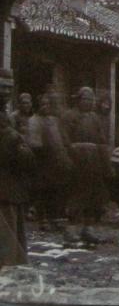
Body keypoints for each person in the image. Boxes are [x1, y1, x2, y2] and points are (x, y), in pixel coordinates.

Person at [61, 86, 111, 245]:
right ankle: (71, 229)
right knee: (76, 194)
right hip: (77, 161)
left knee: (93, 195)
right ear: (78, 100)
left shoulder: (94, 118)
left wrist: (105, 161)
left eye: (91, 99)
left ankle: (88, 228)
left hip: (93, 161)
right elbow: (64, 140)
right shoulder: (69, 116)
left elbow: (102, 140)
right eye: (86, 99)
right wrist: (70, 156)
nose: (89, 102)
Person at [28, 93, 73, 232]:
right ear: (38, 106)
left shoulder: (54, 120)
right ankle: (43, 219)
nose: (45, 107)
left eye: (48, 104)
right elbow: (33, 142)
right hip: (42, 159)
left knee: (56, 190)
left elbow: (63, 139)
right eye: (43, 104)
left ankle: (55, 218)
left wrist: (65, 153)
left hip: (56, 160)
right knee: (42, 191)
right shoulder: (34, 120)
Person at [0, 110, 35, 267]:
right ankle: (11, 260)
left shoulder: (11, 137)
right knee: (10, 225)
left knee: (8, 225)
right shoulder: (13, 137)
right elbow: (27, 162)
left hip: (7, 188)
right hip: (9, 189)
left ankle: (9, 260)